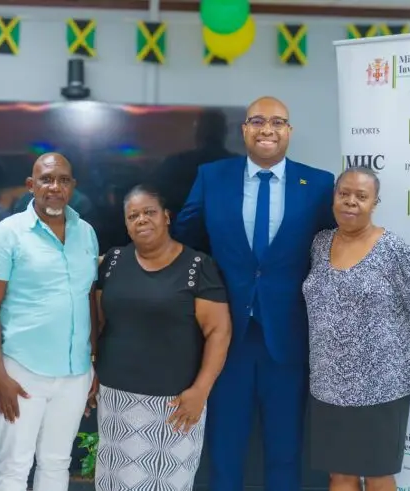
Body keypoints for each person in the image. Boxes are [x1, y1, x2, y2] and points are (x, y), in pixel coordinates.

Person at [173, 96, 336, 491]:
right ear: (244, 129)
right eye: (258, 121)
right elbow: (185, 237)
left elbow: (331, 251)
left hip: (288, 340)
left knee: (285, 451)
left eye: (278, 122)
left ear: (289, 131)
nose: (268, 129)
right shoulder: (212, 177)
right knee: (225, 450)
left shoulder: (318, 184)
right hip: (226, 339)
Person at [302, 167, 410, 491]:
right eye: (344, 194)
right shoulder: (320, 243)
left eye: (361, 196)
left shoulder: (391, 249)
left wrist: (402, 355)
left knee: (378, 475)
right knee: (339, 475)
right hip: (328, 386)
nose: (351, 202)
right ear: (333, 198)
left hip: (380, 388)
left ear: (374, 203)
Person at [92, 184, 232, 491]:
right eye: (133, 216)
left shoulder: (197, 267)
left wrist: (201, 390)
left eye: (149, 212)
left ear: (166, 217)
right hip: (117, 402)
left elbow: (218, 332)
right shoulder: (113, 262)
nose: (141, 220)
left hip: (175, 406)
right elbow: (100, 322)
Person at [0, 152, 98, 491]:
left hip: (75, 372)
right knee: (15, 466)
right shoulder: (5, 235)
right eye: (46, 179)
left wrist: (92, 361)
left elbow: (89, 298)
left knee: (57, 463)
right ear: (31, 185)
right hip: (21, 370)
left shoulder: (86, 233)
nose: (55, 187)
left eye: (63, 180)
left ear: (73, 186)